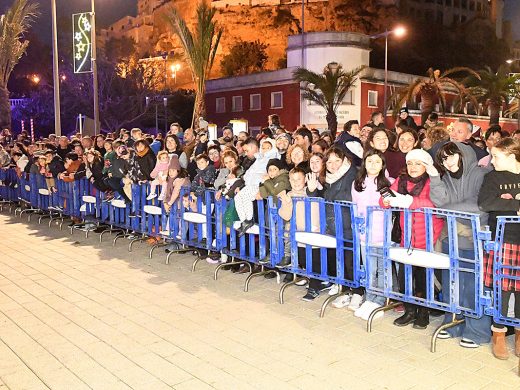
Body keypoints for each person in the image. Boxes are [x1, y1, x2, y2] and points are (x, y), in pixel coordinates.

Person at [427, 142, 491, 348]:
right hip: (452, 238)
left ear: (463, 154)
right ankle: (453, 324)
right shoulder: (445, 178)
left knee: (474, 287)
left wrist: (447, 211)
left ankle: (477, 331)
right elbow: (438, 200)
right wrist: (435, 177)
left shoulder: (482, 173)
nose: (448, 161)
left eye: (452, 155)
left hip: (474, 239)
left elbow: (479, 204)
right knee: (451, 284)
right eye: (444, 158)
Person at [381, 148, 444, 329]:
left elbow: (435, 203)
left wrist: (409, 202)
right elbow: (385, 195)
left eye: (418, 163)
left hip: (427, 237)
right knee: (405, 277)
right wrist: (385, 201)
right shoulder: (401, 180)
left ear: (426, 165)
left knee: (423, 278)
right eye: (410, 163)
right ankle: (409, 311)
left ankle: (423, 313)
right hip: (406, 238)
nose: (413, 167)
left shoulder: (433, 181)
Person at [477, 137, 520, 360]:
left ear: (512, 156)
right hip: (502, 239)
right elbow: (486, 203)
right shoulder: (492, 177)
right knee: (501, 290)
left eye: (496, 156)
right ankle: (499, 334)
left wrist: (508, 204)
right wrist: (517, 204)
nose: (492, 161)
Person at [305, 147, 360, 303]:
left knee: (350, 261)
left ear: (344, 161)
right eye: (329, 161)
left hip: (348, 226)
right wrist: (312, 191)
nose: (333, 164)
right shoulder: (328, 179)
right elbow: (323, 197)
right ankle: (344, 287)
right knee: (339, 258)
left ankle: (357, 291)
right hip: (333, 226)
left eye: (337, 160)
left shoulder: (352, 174)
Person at [348, 149, 394, 315]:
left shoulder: (387, 183)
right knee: (368, 268)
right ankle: (369, 297)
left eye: (377, 161)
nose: (373, 165)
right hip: (363, 234)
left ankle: (379, 300)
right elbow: (355, 205)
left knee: (381, 268)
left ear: (382, 165)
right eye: (369, 161)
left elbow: (390, 205)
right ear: (364, 163)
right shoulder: (357, 183)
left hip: (382, 234)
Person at [234, 138, 279, 236]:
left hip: (258, 184)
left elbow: (268, 174)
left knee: (246, 197)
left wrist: (262, 185)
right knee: (237, 197)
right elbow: (251, 170)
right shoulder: (259, 159)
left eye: (268, 148)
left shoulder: (273, 160)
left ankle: (249, 219)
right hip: (249, 183)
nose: (265, 150)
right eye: (263, 147)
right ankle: (244, 220)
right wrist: (245, 178)